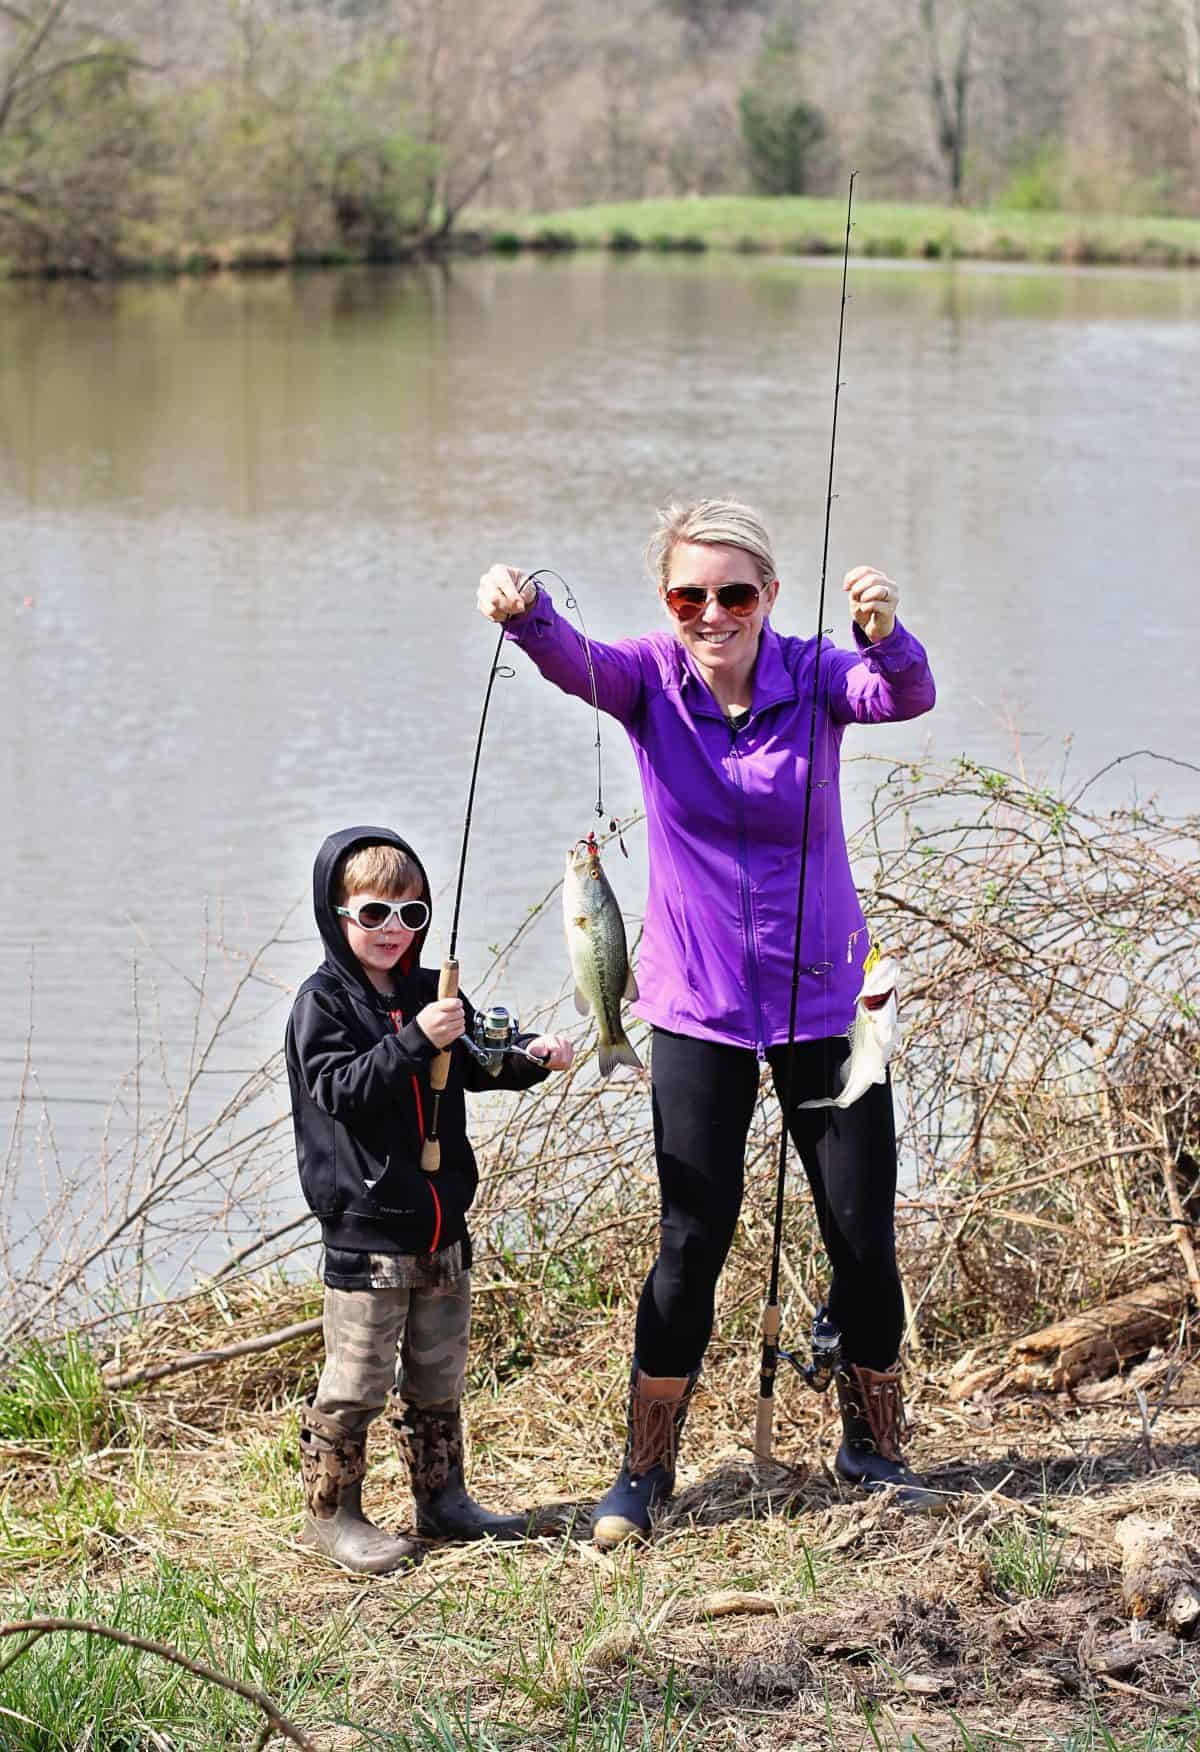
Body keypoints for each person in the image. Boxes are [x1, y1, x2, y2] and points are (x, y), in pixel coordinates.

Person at [477, 499, 938, 1545]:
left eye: (735, 593)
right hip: (695, 1010)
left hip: (827, 1000)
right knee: (691, 1242)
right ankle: (644, 1473)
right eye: (692, 594)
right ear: (668, 602)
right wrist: (524, 612)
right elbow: (572, 663)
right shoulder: (648, 677)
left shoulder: (819, 674)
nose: (714, 612)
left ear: (769, 596)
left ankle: (874, 1444)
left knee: (863, 1237)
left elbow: (903, 694)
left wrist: (887, 635)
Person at [286, 825, 573, 1573]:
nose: (393, 932)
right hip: (366, 1230)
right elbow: (340, 1090)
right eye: (374, 914)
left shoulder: (429, 991)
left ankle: (443, 1501)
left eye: (411, 916)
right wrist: (415, 1039)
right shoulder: (321, 1005)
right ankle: (334, 1513)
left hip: (442, 1220)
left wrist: (530, 1058)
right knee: (358, 1380)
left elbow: (478, 1060)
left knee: (438, 1374)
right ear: (336, 915)